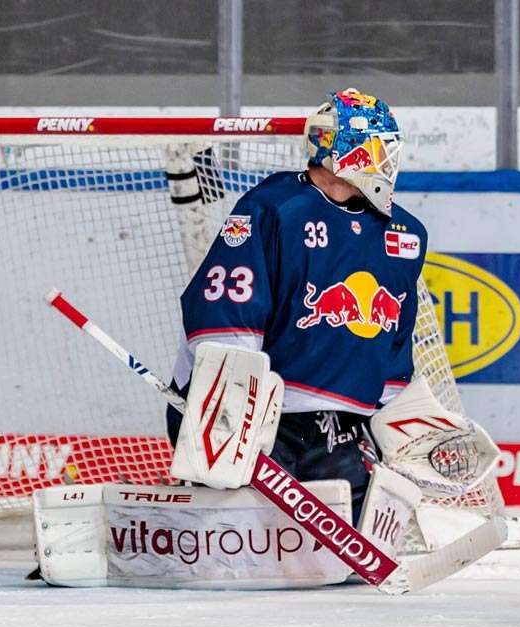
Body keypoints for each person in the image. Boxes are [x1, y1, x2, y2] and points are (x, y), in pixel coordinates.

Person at [168, 88, 425, 523]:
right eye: (378, 147)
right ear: (348, 150)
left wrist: (387, 412)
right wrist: (232, 411)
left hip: (338, 430)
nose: (387, 160)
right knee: (245, 538)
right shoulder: (274, 207)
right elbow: (225, 310)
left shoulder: (404, 234)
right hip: (256, 420)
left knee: (350, 553)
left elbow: (395, 335)